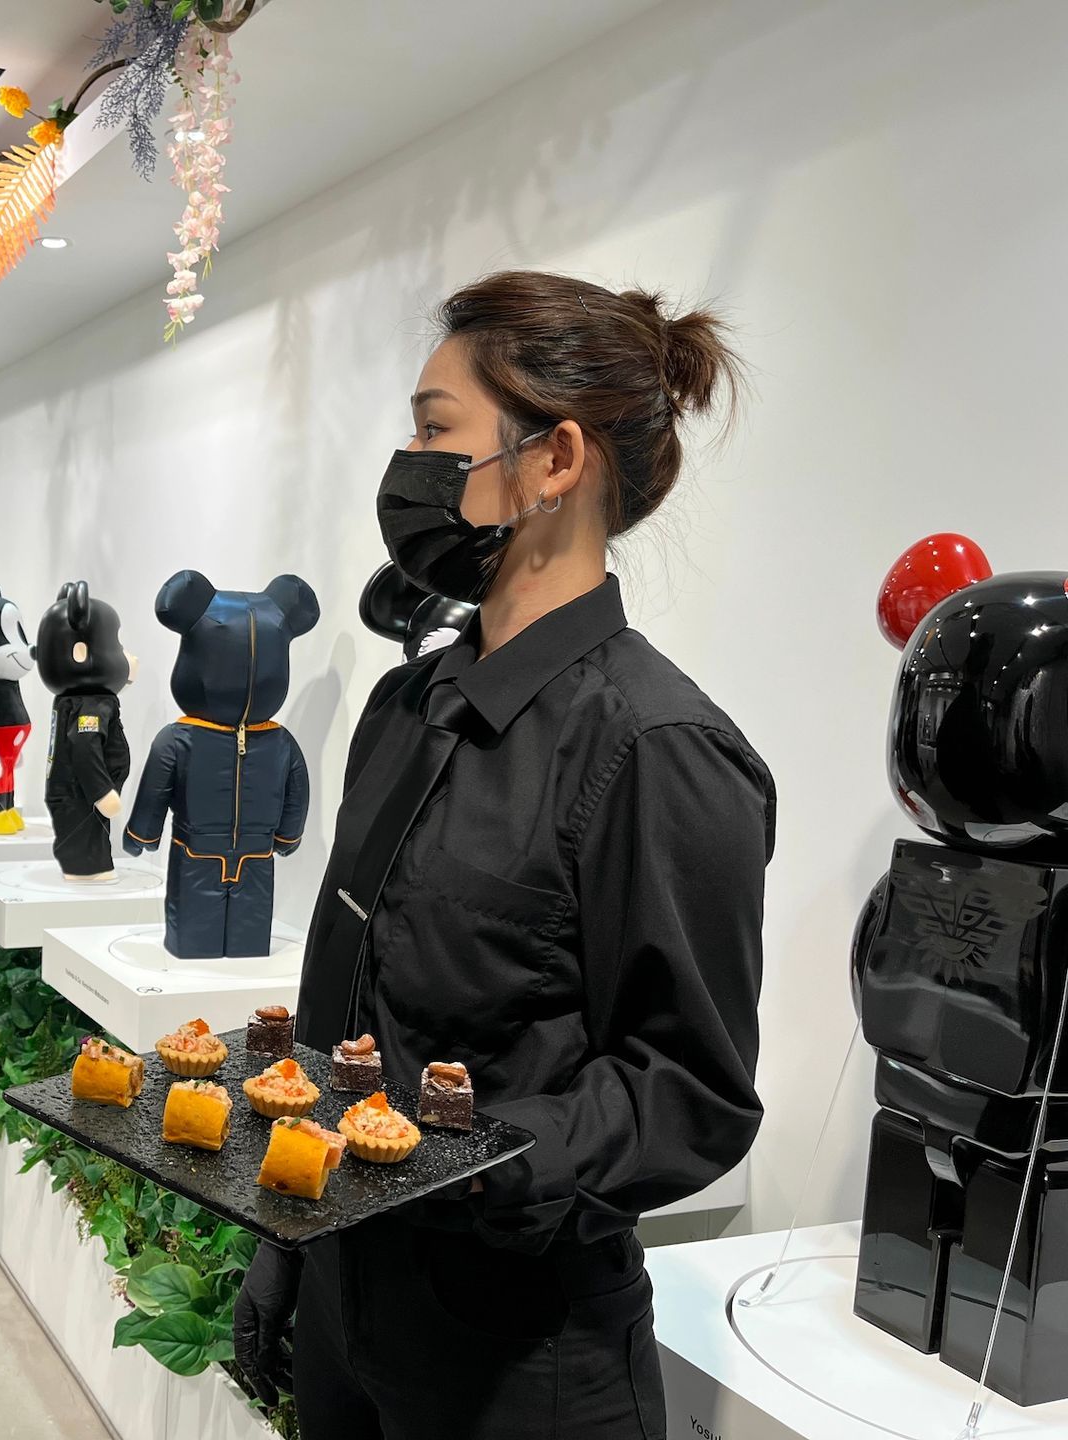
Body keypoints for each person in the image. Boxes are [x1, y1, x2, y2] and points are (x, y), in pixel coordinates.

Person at [234, 272, 777, 1439]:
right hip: (345, 1304)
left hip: (521, 1361)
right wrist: (290, 1239)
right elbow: (342, 1010)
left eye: (437, 431)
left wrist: (483, 1159)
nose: (410, 464)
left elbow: (689, 1092)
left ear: (554, 460)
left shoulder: (658, 750)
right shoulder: (404, 710)